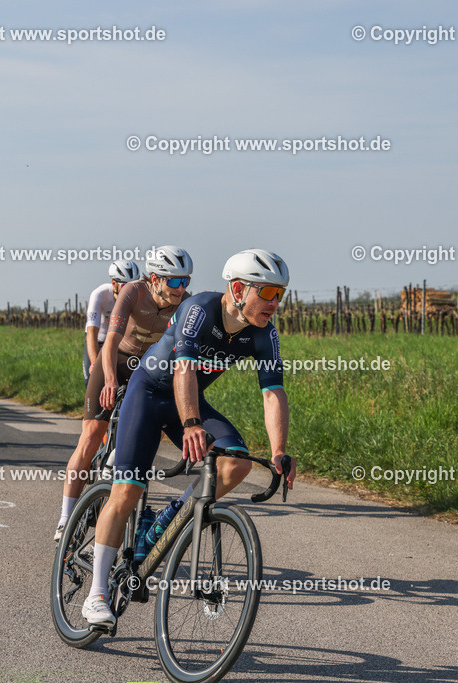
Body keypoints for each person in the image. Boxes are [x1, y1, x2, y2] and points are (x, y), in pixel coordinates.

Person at [80, 249, 298, 628]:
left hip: (190, 402)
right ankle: (96, 593)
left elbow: (273, 392)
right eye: (266, 293)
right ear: (237, 288)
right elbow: (183, 369)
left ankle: (167, 518)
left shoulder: (265, 334)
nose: (274, 303)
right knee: (127, 490)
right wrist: (193, 422)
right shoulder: (200, 309)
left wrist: (279, 451)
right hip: (149, 395)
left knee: (238, 463)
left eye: (280, 294)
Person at [55, 246, 192, 541]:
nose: (182, 288)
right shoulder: (133, 291)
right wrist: (107, 381)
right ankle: (65, 517)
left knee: (138, 446)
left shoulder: (186, 304)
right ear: (155, 279)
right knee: (91, 437)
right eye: (175, 281)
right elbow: (111, 339)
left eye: (186, 281)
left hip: (147, 371)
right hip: (114, 361)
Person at [83, 261, 140, 386]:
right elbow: (92, 332)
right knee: (92, 381)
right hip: (99, 341)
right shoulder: (100, 294)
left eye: (135, 285)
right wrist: (94, 362)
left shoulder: (139, 296)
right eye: (126, 286)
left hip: (121, 343)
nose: (131, 290)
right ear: (114, 283)